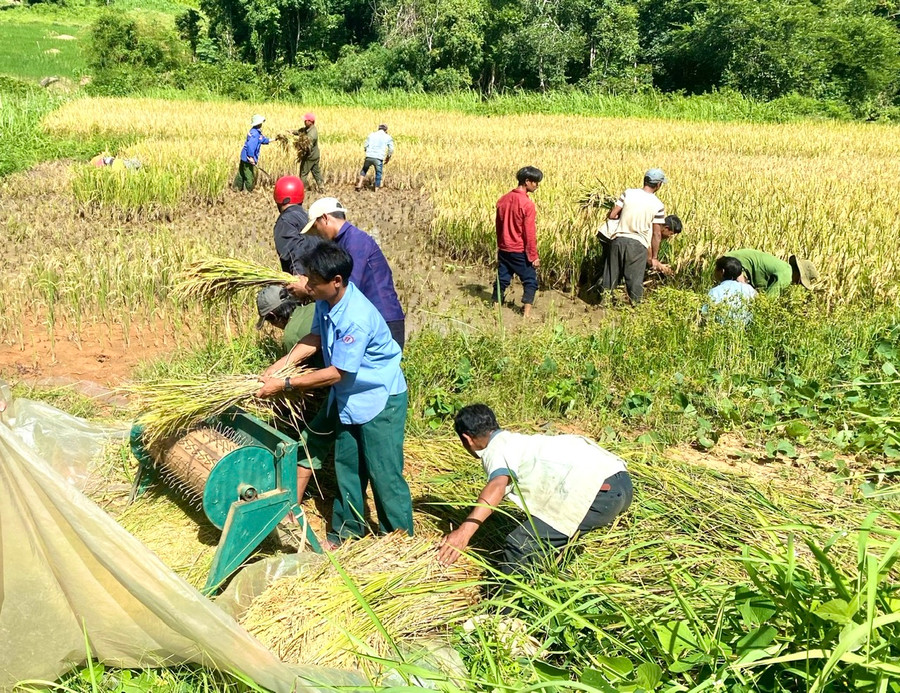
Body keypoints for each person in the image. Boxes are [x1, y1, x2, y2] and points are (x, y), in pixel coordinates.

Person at [256, 243, 413, 547]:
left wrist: (285, 384)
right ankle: (346, 535)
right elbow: (316, 337)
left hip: (379, 399)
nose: (308, 286)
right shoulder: (325, 302)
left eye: (314, 281)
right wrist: (280, 365)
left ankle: (400, 543)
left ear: (336, 281)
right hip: (349, 398)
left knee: (384, 476)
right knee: (348, 468)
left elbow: (337, 373)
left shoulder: (355, 316)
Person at [437, 404, 633, 575]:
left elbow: (497, 484)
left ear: (467, 439)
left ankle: (506, 614)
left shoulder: (495, 449)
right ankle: (551, 574)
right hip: (622, 480)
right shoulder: (521, 442)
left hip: (599, 494)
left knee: (520, 545)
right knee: (544, 534)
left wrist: (464, 532)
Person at [300, 197, 406, 348]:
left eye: (316, 228)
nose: (317, 234)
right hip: (366, 322)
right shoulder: (342, 243)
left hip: (384, 320)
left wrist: (306, 288)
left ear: (324, 218)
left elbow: (347, 287)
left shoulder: (355, 242)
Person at [601, 168, 677, 305]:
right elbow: (656, 233)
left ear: (645, 180)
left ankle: (602, 308)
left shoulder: (628, 193)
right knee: (634, 283)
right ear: (658, 185)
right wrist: (654, 257)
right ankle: (635, 309)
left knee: (610, 280)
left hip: (618, 240)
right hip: (637, 245)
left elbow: (612, 215)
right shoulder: (658, 205)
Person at [494, 166, 543, 318]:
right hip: (519, 250)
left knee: (502, 278)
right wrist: (533, 256)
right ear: (527, 182)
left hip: (504, 248)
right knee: (530, 281)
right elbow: (529, 233)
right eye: (535, 182)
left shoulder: (503, 199)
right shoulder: (527, 204)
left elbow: (498, 226)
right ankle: (526, 314)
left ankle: (495, 308)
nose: (537, 185)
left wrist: (501, 244)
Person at [723, 250, 819, 297]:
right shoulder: (786, 276)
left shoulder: (785, 268)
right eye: (800, 283)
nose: (797, 285)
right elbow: (768, 301)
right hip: (734, 264)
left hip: (730, 260)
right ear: (798, 276)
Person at [705, 256, 758, 324]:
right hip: (745, 330)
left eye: (716, 269)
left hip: (721, 330)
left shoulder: (715, 291)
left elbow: (706, 314)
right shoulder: (749, 289)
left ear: (722, 271)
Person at [234, 114, 269, 192]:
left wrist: (274, 139)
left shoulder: (255, 131)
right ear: (258, 124)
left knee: (241, 172)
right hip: (247, 158)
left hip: (244, 156)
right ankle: (248, 190)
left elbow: (262, 140)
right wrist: (251, 157)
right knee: (249, 175)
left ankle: (236, 187)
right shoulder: (255, 134)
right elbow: (250, 146)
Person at [355, 124, 394, 192]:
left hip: (369, 155)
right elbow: (391, 149)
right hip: (379, 158)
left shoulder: (371, 135)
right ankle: (376, 189)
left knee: (364, 169)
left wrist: (368, 152)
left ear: (378, 129)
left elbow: (365, 145)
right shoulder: (388, 137)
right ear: (386, 130)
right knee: (378, 173)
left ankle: (359, 184)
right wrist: (388, 157)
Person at [293, 113, 324, 193]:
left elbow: (306, 144)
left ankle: (301, 189)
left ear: (310, 122)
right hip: (315, 155)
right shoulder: (307, 129)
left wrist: (297, 144)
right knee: (316, 172)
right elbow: (301, 132)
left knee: (303, 173)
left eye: (306, 120)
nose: (304, 121)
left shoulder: (312, 134)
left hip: (310, 156)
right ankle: (321, 188)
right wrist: (292, 132)